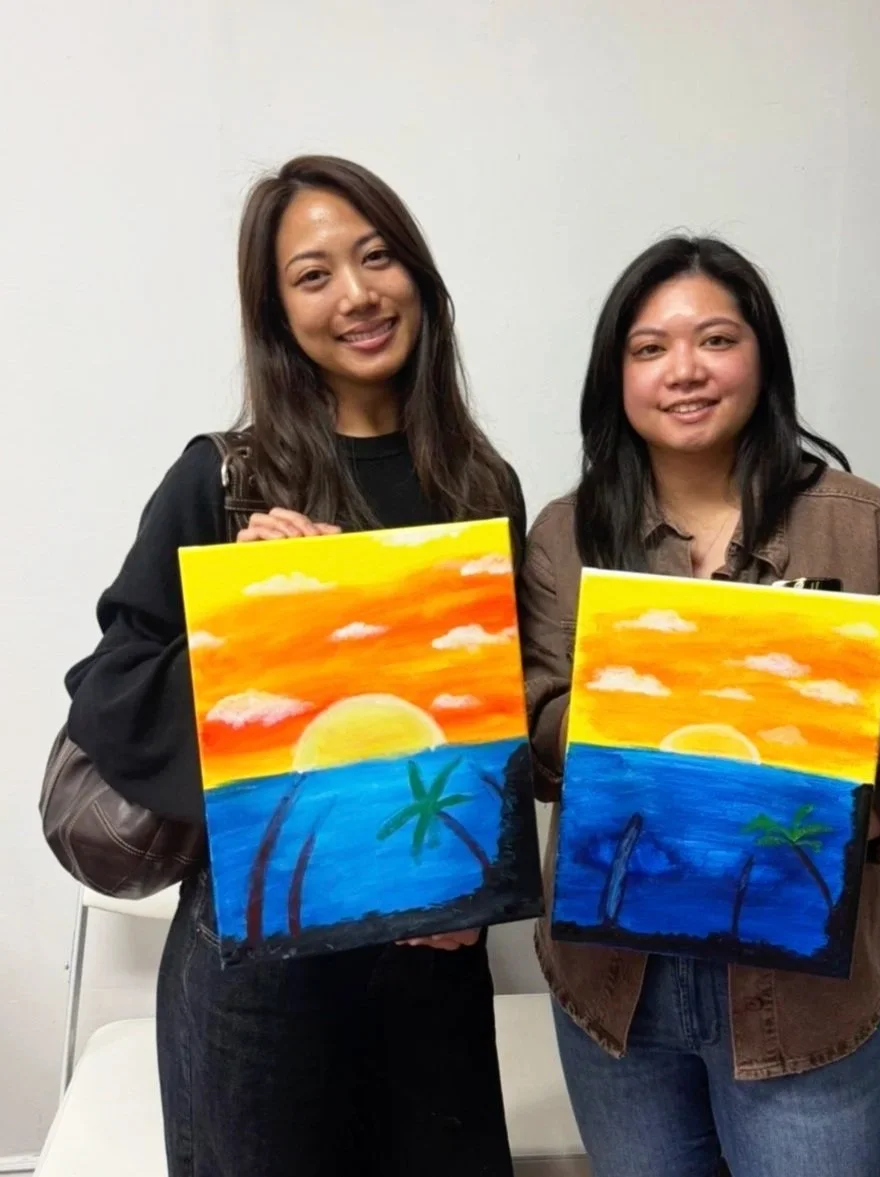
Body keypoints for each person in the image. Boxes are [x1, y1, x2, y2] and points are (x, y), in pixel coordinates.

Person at [64, 155, 524, 1177]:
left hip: (430, 963)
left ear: (418, 277)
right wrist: (258, 615)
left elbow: (492, 713)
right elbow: (112, 686)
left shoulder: (481, 483)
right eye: (313, 275)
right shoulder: (223, 477)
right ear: (277, 312)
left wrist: (478, 889)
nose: (355, 295)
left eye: (376, 258)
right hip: (258, 965)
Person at [518, 235, 880, 1177]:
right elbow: (528, 729)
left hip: (806, 1000)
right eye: (649, 348)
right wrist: (630, 710)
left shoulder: (864, 527)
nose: (683, 370)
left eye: (714, 339)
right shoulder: (565, 535)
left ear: (760, 356)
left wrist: (833, 769)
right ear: (617, 376)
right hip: (615, 1003)